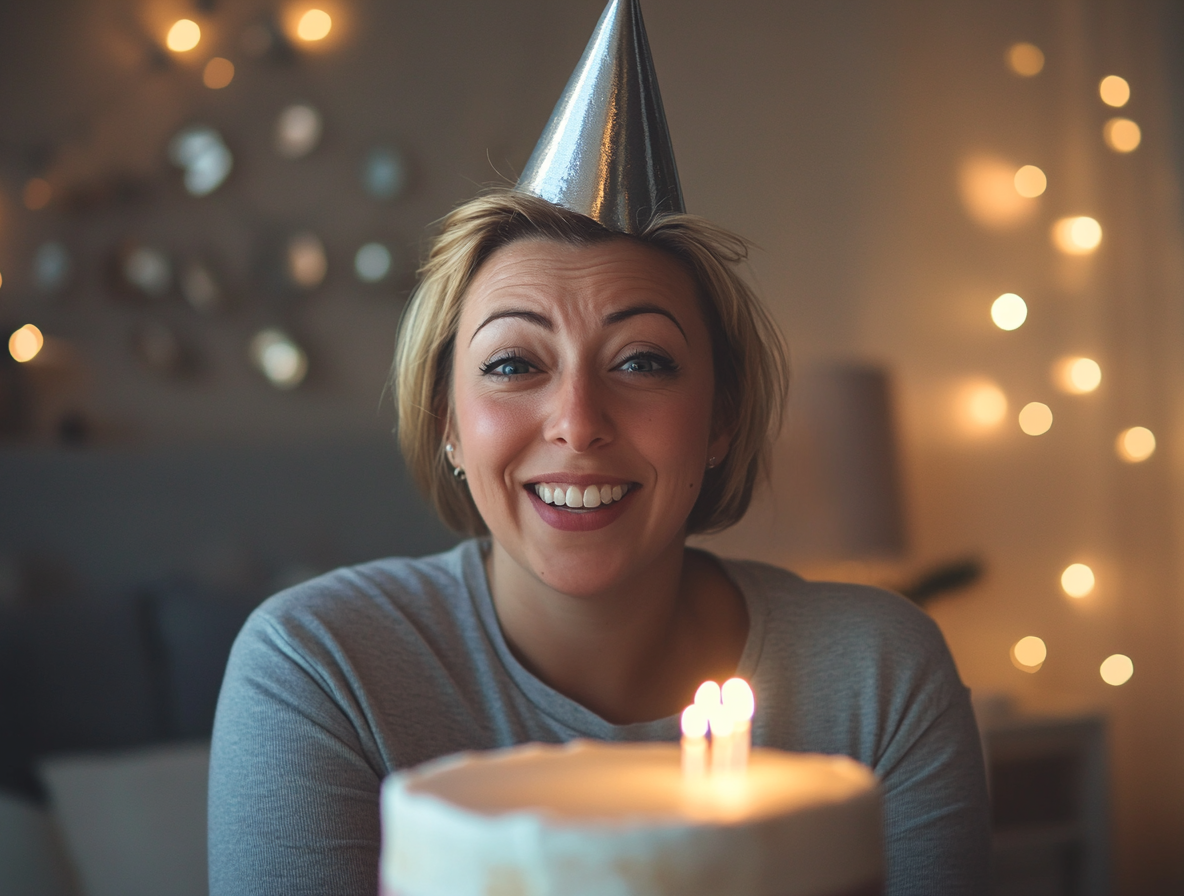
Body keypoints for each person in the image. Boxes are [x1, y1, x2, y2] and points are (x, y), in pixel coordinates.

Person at [208, 1, 989, 894]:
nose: (578, 422)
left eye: (643, 361)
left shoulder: (876, 677)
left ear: (722, 417)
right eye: (512, 363)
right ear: (448, 423)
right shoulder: (321, 668)